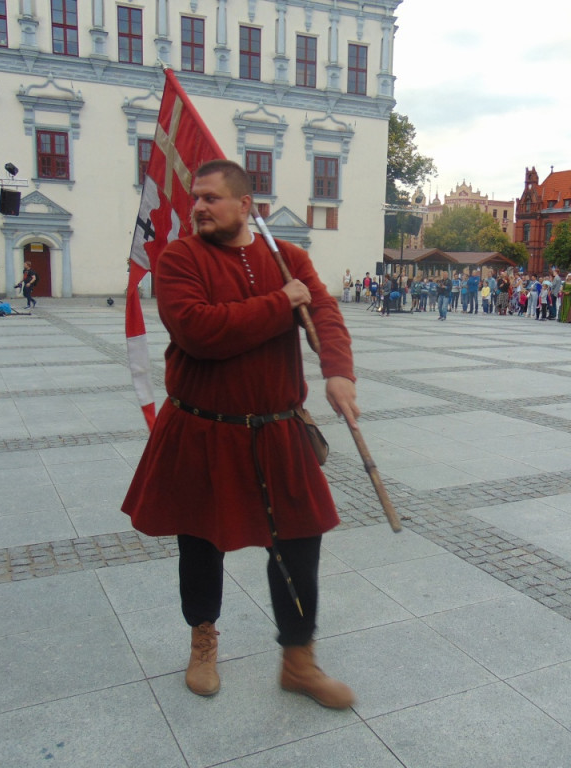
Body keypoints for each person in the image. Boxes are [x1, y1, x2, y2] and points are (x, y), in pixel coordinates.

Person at [121, 159, 357, 709]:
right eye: (195, 199)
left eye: (210, 198)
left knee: (300, 543)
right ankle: (203, 639)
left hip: (277, 428)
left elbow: (323, 310)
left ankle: (298, 661)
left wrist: (338, 371)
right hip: (203, 428)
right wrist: (282, 302)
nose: (197, 207)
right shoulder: (180, 258)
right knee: (201, 541)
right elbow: (201, 331)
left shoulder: (288, 258)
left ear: (245, 205)